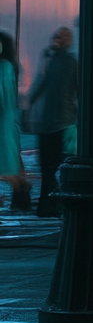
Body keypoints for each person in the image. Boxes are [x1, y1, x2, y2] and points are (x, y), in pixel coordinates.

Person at [29, 27, 78, 218]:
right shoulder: (67, 61)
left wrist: (29, 106)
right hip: (62, 121)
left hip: (52, 121)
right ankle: (52, 204)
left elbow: (42, 85)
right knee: (55, 166)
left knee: (48, 167)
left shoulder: (53, 61)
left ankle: (47, 205)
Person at [0, 32, 30, 213]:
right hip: (7, 121)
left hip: (3, 121)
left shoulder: (4, 67)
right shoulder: (8, 66)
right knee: (11, 160)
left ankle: (21, 195)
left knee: (9, 161)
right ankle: (21, 196)